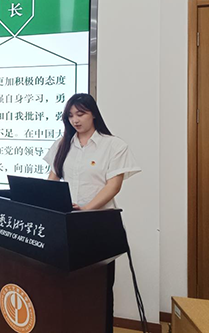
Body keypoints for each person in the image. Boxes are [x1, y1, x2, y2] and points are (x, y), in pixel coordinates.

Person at [43, 93, 141, 333]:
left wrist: (86, 209)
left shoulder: (113, 145)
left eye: (80, 114)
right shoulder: (63, 144)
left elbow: (113, 185)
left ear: (93, 114)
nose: (75, 120)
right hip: (66, 224)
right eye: (70, 115)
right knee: (66, 284)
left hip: (99, 225)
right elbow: (52, 180)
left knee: (98, 287)